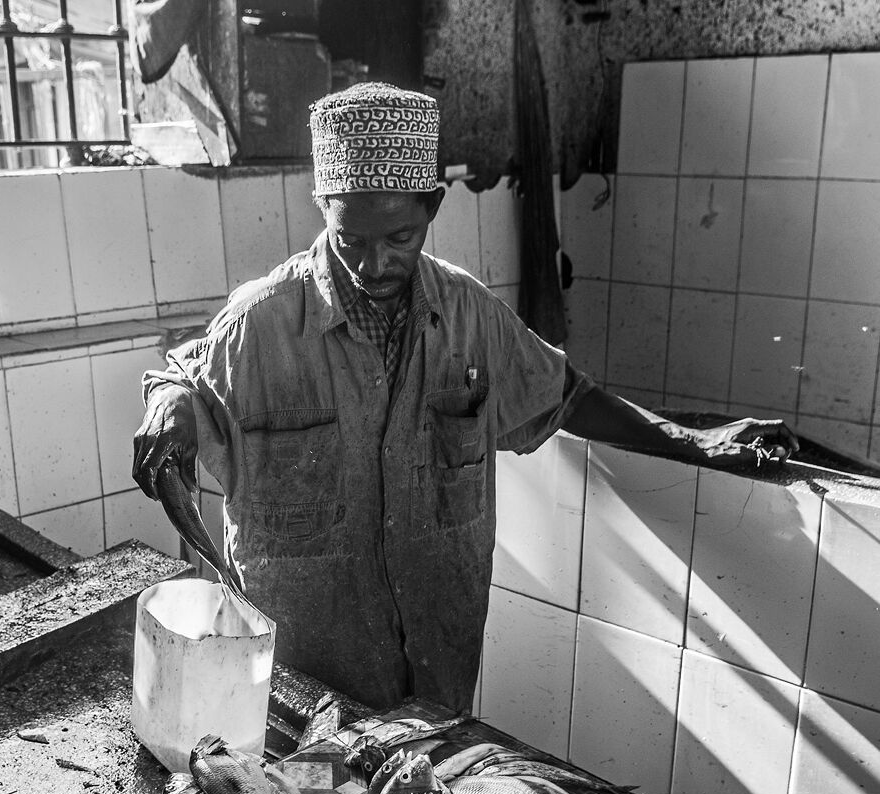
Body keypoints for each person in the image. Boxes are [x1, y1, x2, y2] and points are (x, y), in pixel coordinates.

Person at [133, 82, 797, 715]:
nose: (372, 266)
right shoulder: (261, 323)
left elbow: (567, 397)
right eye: (350, 240)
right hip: (303, 690)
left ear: (432, 206)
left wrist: (689, 440)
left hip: (436, 678)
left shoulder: (470, 317)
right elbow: (182, 381)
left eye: (399, 239)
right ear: (322, 205)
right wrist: (170, 406)